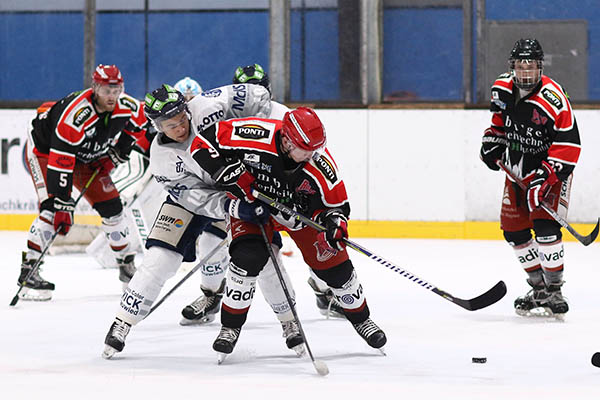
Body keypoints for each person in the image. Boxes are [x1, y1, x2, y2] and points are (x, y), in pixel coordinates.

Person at [102, 85, 305, 359]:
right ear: (156, 125)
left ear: (186, 106)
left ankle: (289, 320)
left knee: (266, 257)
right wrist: (230, 206)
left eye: (181, 117)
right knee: (160, 257)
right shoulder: (161, 160)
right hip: (203, 200)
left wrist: (270, 132)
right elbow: (192, 198)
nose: (179, 127)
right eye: (169, 124)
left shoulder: (208, 105)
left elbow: (258, 94)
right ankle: (122, 322)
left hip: (240, 187)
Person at [190, 106, 387, 361]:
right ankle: (230, 327)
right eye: (304, 149)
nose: (311, 155)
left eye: (314, 149)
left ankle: (362, 320)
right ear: (286, 140)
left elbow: (336, 205)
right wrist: (228, 173)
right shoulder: (254, 134)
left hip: (299, 215)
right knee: (247, 259)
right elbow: (201, 143)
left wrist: (336, 224)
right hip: (253, 208)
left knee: (335, 267)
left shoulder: (318, 161)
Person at [19, 64, 147, 301]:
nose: (112, 96)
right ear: (94, 88)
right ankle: (30, 270)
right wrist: (61, 202)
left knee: (114, 209)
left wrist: (118, 152)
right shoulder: (75, 117)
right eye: (106, 90)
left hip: (85, 155)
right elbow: (61, 160)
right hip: (47, 151)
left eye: (116, 89)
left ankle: (126, 267)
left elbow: (139, 126)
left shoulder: (127, 106)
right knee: (52, 210)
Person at [232, 63, 347, 319]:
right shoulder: (232, 117)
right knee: (241, 247)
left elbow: (311, 156)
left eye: (259, 90)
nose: (255, 96)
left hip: (290, 195)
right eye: (248, 90)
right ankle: (213, 293)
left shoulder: (282, 114)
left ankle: (324, 287)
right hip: (252, 195)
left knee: (317, 238)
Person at [479, 38, 581, 318]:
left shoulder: (553, 99)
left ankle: (555, 289)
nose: (526, 72)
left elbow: (570, 146)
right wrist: (492, 143)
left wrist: (545, 179)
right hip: (517, 170)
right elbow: (499, 124)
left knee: (546, 230)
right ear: (512, 67)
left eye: (531, 66)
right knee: (514, 231)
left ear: (540, 68)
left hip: (552, 172)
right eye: (521, 66)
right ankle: (538, 288)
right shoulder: (501, 88)